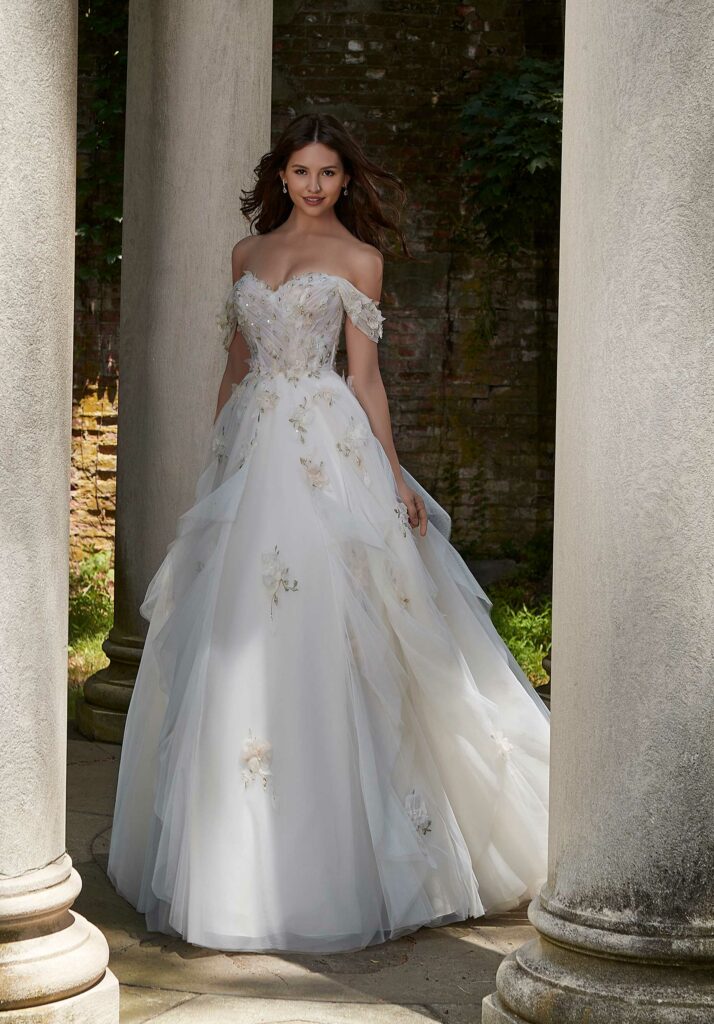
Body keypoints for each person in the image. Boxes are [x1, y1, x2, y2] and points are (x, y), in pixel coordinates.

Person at [107, 112, 550, 954]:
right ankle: (234, 855)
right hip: (254, 449)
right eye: (302, 172)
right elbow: (237, 366)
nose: (314, 185)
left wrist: (389, 476)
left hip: (326, 446)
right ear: (281, 176)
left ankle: (358, 849)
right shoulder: (246, 255)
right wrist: (216, 462)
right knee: (232, 634)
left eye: (329, 173)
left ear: (346, 181)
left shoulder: (360, 261)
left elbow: (368, 381)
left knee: (348, 628)